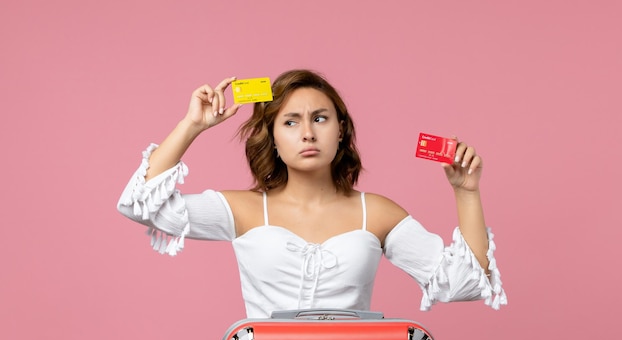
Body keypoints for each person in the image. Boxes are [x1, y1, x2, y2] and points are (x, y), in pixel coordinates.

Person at [117, 69, 506, 318]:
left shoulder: (378, 213)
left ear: (340, 131)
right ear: (273, 138)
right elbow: (141, 204)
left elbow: (463, 283)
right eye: (291, 121)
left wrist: (467, 193)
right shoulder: (242, 209)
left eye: (319, 118)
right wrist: (192, 125)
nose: (307, 132)